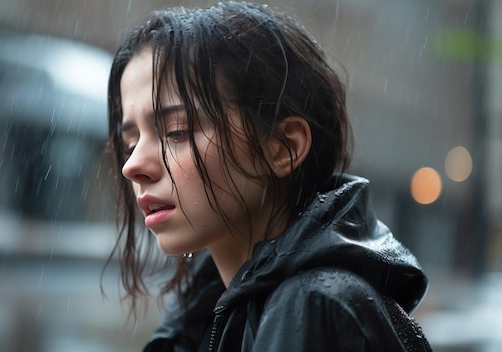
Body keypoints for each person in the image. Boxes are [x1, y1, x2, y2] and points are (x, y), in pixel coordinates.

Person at [105, 2, 432, 351]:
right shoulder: (208, 313)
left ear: (283, 148)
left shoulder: (314, 306)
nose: (133, 165)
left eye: (177, 131)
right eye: (131, 142)